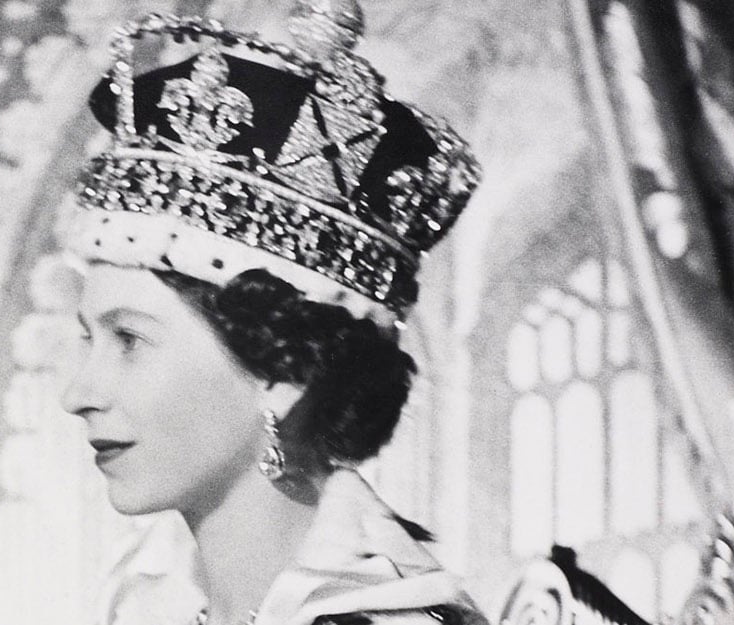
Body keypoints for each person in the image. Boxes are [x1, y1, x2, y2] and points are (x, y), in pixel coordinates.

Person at [57, 2, 484, 625]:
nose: (77, 394)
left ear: (282, 375)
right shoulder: (140, 598)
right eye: (87, 337)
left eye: (129, 339)